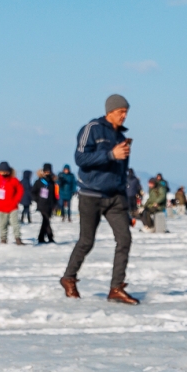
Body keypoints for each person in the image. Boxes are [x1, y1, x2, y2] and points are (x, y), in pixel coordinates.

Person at [61, 94, 138, 304]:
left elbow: (121, 169)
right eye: (121, 112)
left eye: (126, 112)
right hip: (91, 195)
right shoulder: (92, 129)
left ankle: (116, 287)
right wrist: (110, 155)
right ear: (110, 111)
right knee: (86, 241)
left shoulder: (122, 137)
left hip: (116, 197)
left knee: (124, 239)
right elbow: (80, 158)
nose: (124, 116)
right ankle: (69, 278)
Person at [0, 162, 25, 244]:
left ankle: (18, 238)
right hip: (0, 207)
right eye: (2, 171)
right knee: (2, 224)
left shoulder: (14, 180)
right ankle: (3, 239)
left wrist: (16, 200)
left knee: (15, 223)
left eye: (6, 171)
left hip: (13, 206)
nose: (4, 173)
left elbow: (20, 190)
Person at [34, 164, 57, 244]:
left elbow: (55, 194)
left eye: (49, 171)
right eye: (46, 171)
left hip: (50, 205)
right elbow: (33, 192)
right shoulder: (38, 182)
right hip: (42, 205)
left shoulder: (52, 183)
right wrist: (37, 200)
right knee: (46, 220)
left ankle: (41, 237)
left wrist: (55, 204)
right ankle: (50, 237)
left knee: (45, 221)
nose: (47, 173)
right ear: (43, 172)